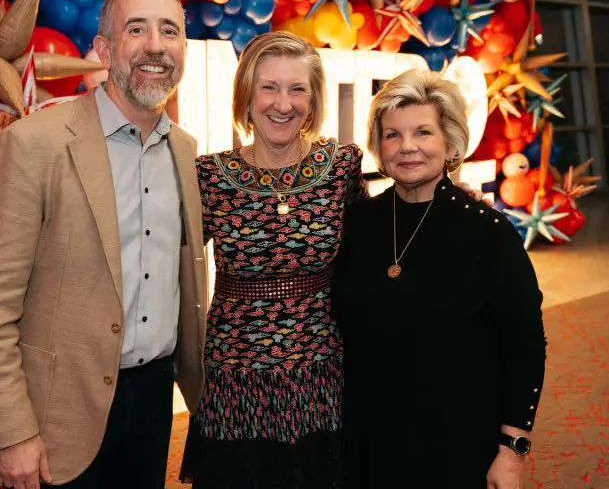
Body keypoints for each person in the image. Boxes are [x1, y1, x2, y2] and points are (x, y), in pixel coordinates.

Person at [179, 31, 485, 488]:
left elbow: (380, 233)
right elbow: (164, 254)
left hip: (323, 380)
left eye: (297, 88)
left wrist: (444, 198)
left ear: (314, 99)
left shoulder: (338, 165)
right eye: (269, 87)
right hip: (236, 385)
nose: (283, 103)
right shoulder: (209, 176)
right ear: (246, 93)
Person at [0, 0, 209, 489]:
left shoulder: (185, 150)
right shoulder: (34, 144)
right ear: (103, 48)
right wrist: (10, 432)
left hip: (155, 400)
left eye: (170, 32)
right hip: (57, 416)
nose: (155, 46)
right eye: (136, 29)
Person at [333, 69, 548, 488]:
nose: (407, 146)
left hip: (457, 444)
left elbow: (525, 346)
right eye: (392, 134)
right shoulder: (359, 222)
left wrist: (512, 452)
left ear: (450, 142)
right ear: (379, 146)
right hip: (367, 443)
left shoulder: (487, 231)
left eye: (423, 132)